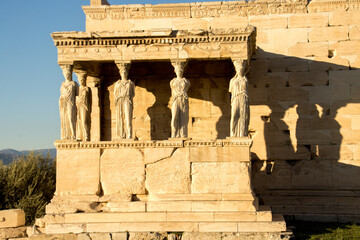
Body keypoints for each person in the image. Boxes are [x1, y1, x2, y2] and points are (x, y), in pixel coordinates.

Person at [114, 63, 135, 139]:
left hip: (127, 100)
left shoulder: (130, 83)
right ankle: (121, 135)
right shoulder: (117, 83)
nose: (124, 74)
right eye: (122, 72)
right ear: (120, 73)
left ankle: (129, 135)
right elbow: (115, 94)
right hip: (120, 100)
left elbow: (133, 94)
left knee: (128, 117)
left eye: (125, 72)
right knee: (120, 117)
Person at [229, 59, 249, 138]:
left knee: (243, 116)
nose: (240, 70)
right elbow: (230, 91)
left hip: (243, 98)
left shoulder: (245, 79)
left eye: (241, 69)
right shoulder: (233, 80)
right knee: (234, 115)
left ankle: (241, 134)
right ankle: (233, 133)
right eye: (238, 69)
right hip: (235, 98)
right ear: (236, 70)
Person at [170, 61, 190, 138]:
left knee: (183, 117)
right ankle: (174, 133)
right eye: (178, 70)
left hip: (183, 99)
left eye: (180, 70)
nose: (179, 72)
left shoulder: (186, 81)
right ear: (175, 71)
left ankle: (183, 134)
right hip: (175, 99)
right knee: (174, 116)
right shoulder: (172, 81)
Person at [59, 65, 79, 140]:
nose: (67, 75)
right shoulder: (62, 84)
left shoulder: (74, 84)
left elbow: (78, 96)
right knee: (65, 119)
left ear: (71, 74)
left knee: (71, 118)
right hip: (63, 103)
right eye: (66, 74)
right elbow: (61, 94)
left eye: (68, 73)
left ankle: (74, 134)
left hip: (71, 103)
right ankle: (66, 135)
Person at [76, 71, 90, 141]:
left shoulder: (86, 89)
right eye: (80, 80)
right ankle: (80, 136)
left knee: (84, 121)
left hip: (84, 106)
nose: (82, 81)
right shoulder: (77, 89)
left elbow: (90, 100)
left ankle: (86, 135)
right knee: (79, 121)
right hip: (78, 106)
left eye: (83, 80)